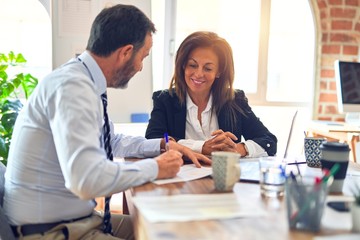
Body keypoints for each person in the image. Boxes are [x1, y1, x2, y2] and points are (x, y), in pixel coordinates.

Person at [3, 5, 210, 240]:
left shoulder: (82, 80)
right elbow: (86, 180)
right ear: (125, 52)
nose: (141, 67)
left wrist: (161, 147)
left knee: (172, 230)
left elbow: (109, 140)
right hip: (51, 232)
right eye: (142, 57)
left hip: (76, 221)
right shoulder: (74, 89)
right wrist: (156, 168)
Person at [145, 31, 277, 158]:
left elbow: (268, 140)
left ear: (219, 72)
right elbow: (155, 140)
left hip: (223, 177)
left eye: (208, 68)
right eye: (192, 65)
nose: (198, 74)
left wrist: (237, 149)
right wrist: (201, 147)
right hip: (180, 178)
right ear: (183, 65)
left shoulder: (235, 100)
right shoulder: (164, 100)